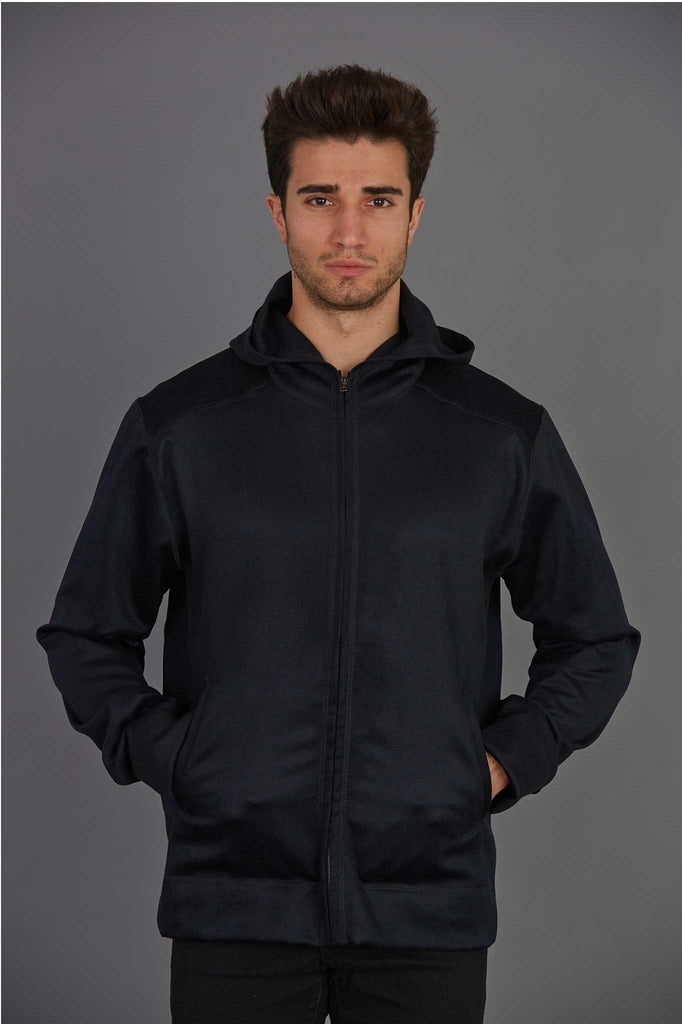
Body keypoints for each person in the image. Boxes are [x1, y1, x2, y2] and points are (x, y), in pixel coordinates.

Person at [35, 63, 641, 1024]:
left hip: (427, 906)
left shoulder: (499, 433)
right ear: (278, 212)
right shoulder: (182, 426)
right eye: (320, 199)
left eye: (378, 200)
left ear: (416, 214)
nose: (349, 233)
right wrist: (183, 760)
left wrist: (491, 764)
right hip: (234, 902)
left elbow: (596, 638)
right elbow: (84, 636)